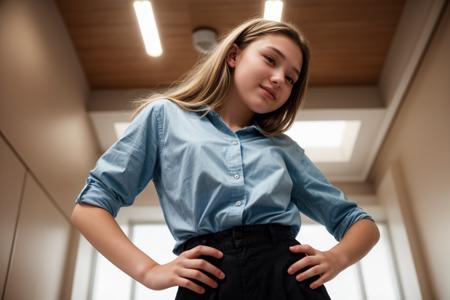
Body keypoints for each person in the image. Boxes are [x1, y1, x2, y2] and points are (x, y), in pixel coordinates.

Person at [71, 18, 380, 300]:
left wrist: (336, 259)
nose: (278, 79)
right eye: (270, 60)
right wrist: (149, 271)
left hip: (288, 285)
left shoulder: (284, 149)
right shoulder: (164, 117)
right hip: (206, 285)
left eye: (290, 78)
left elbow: (361, 224)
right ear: (233, 56)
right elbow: (90, 208)